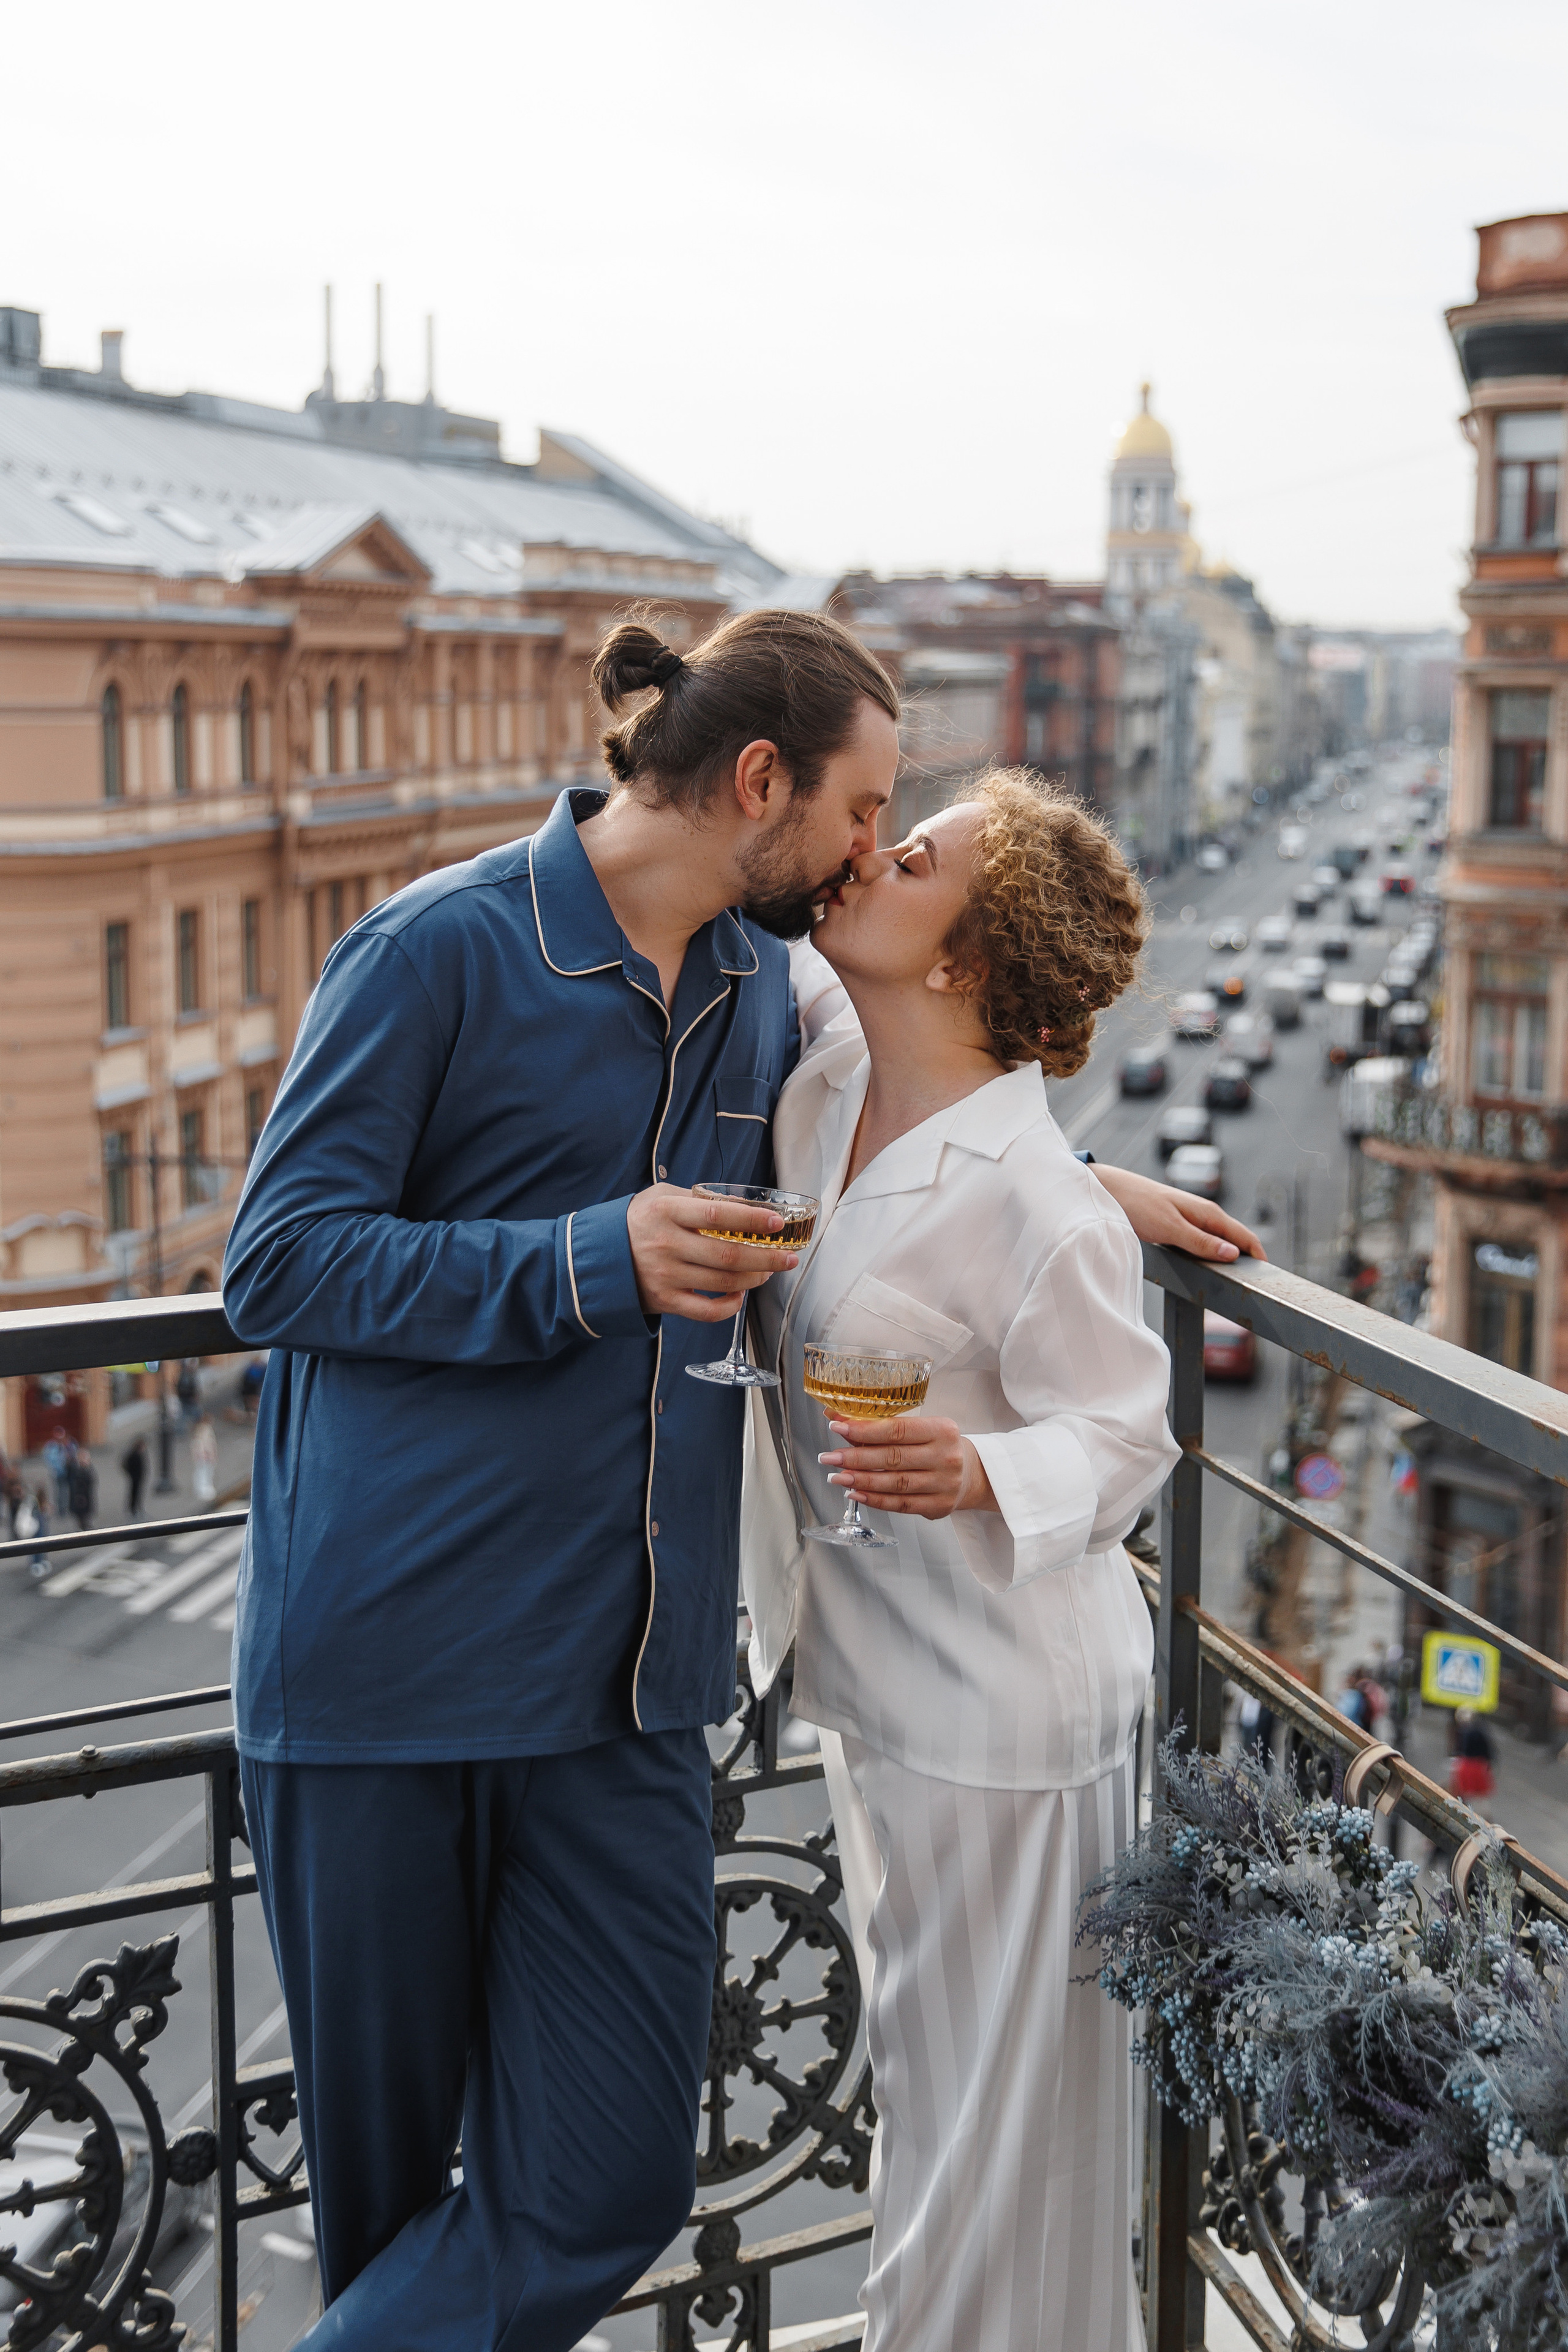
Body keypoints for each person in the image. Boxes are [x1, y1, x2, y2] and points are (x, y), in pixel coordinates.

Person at [222, 609, 1261, 2352]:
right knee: (391, 2210)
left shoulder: (754, 995)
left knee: (618, 2181)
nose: (871, 850)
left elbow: (935, 1102)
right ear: (763, 782)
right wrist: (588, 1255)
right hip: (381, 1676)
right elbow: (278, 1265)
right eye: (866, 811)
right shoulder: (432, 951)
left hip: (632, 1689)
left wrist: (1081, 1186)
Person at [742, 770, 1220, 2352]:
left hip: (1012, 1731)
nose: (876, 848)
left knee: (987, 2156)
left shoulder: (1033, 1200)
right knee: (938, 2109)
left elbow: (1131, 1429)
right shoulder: (826, 1079)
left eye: (919, 850)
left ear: (960, 964)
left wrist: (982, 1466)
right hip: (886, 1700)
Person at [1450, 1706, 1495, 1809]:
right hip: (1478, 1764)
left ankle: (1466, 1810)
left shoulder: (1465, 1731)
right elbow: (1488, 1749)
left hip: (1470, 1764)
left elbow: (1461, 1749)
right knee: (1478, 1793)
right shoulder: (1481, 1729)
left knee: (1466, 1791)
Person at [189, 1414, 217, 1505]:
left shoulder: (207, 1429)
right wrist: (202, 1454)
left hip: (208, 1455)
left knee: (208, 1472)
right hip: (204, 1455)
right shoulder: (202, 1430)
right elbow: (200, 1443)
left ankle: (207, 1488)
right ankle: (201, 1490)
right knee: (202, 1472)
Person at [68, 1446, 97, 1534]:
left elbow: (93, 1480)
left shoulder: (87, 1469)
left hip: (85, 1495)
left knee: (86, 1511)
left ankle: (85, 1524)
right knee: (81, 1512)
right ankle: (82, 1526)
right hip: (79, 1496)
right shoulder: (76, 1469)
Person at [122, 1434, 149, 1520]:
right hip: (135, 1478)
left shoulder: (141, 1454)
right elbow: (126, 1465)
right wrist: (131, 1474)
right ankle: (133, 1510)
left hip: (139, 1477)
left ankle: (138, 1509)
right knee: (134, 1494)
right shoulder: (133, 1455)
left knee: (139, 1494)